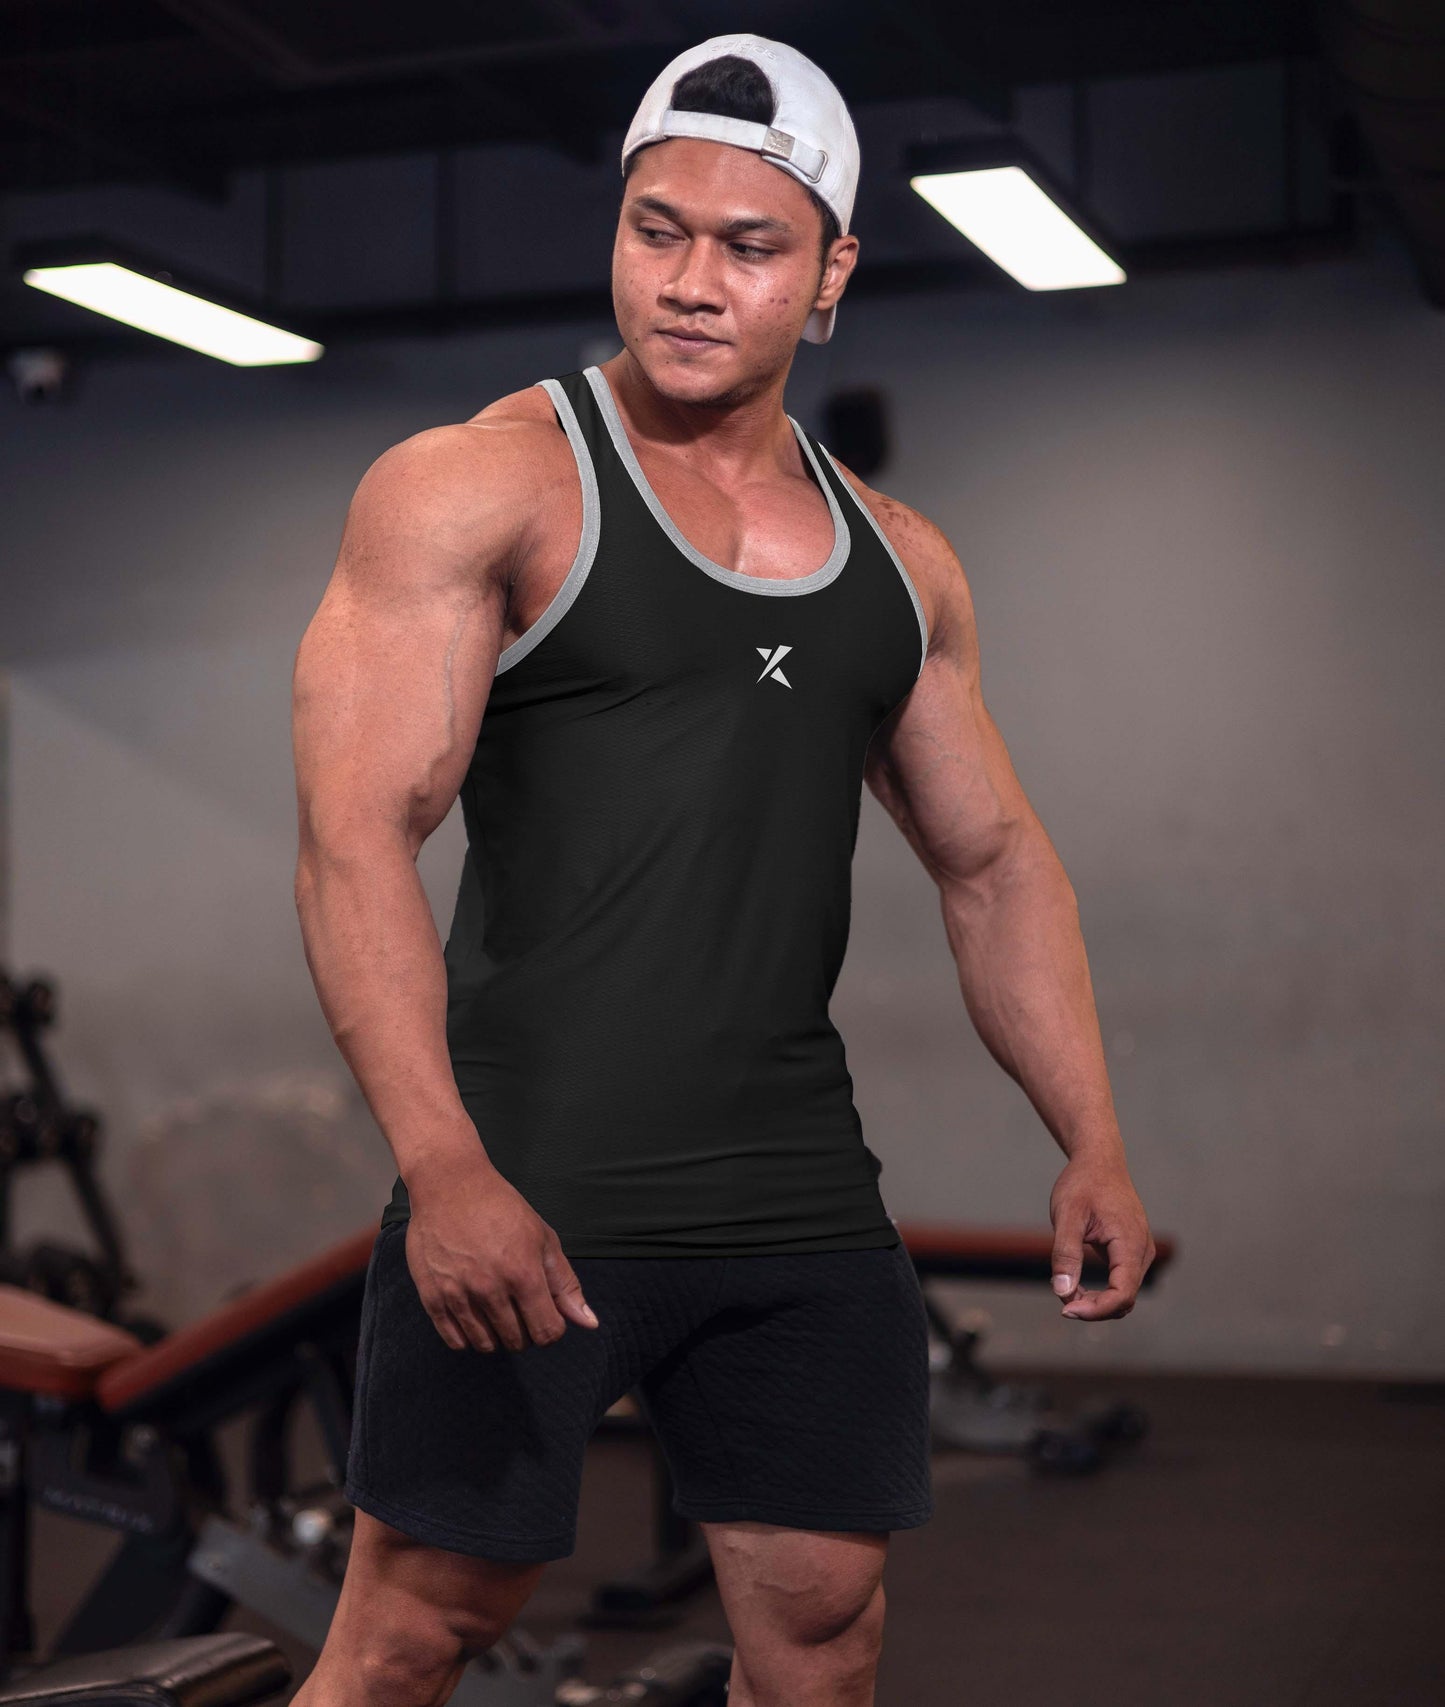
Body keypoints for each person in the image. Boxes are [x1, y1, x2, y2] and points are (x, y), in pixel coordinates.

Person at [289, 30, 1155, 1707]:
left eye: (748, 246)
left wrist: (1092, 1138)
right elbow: (353, 840)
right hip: (533, 1166)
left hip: (793, 1184)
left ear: (830, 273)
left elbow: (991, 864)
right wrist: (442, 1165)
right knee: (412, 1633)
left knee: (823, 1635)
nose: (689, 282)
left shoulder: (900, 562)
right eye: (656, 230)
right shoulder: (477, 487)